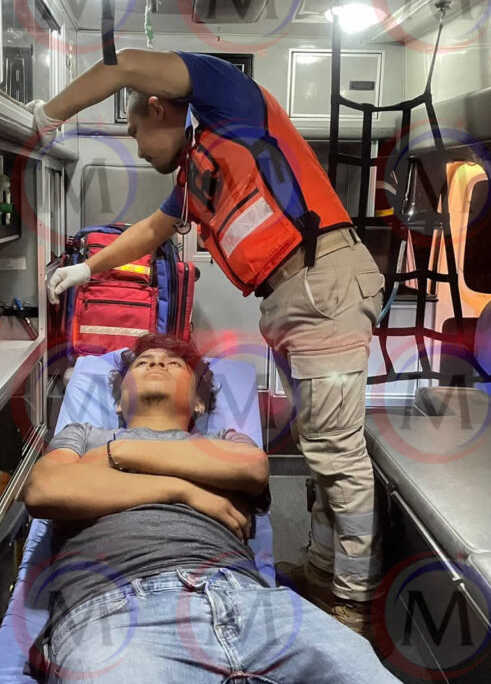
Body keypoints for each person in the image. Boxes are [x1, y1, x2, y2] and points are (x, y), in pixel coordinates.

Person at [28, 49, 385, 632]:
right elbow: (150, 230)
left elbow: (122, 64)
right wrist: (87, 269)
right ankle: (324, 571)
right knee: (319, 444)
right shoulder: (194, 179)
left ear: (157, 107)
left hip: (324, 284)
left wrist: (49, 115)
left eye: (136, 133)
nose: (139, 149)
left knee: (335, 452)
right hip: (295, 298)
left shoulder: (232, 102)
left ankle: (353, 602)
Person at [22, 334, 400, 684]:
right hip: (117, 611)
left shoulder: (223, 440)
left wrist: (115, 455)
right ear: (119, 401)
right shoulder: (85, 434)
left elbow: (252, 468)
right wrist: (183, 491)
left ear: (199, 402)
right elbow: (44, 489)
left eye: (173, 363)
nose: (156, 363)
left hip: (253, 605)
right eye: (143, 363)